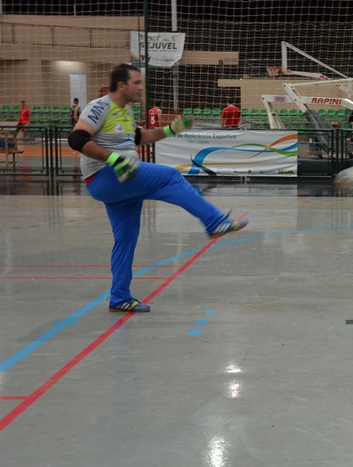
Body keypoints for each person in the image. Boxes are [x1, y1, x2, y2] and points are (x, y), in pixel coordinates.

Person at [68, 63, 249, 313]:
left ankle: (120, 297)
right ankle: (214, 221)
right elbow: (76, 139)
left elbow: (141, 138)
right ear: (121, 85)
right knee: (170, 177)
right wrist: (113, 159)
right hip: (106, 175)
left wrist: (172, 129)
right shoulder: (100, 106)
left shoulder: (126, 111)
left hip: (122, 181)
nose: (141, 87)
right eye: (137, 83)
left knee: (126, 240)